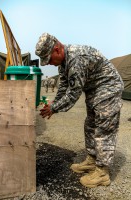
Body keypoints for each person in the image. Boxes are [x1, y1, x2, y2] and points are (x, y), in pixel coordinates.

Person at [35, 33, 124, 188]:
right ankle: (92, 160)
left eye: (48, 59)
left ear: (57, 49)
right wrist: (54, 102)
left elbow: (73, 93)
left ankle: (102, 172)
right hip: (94, 90)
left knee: (104, 128)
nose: (48, 63)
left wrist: (54, 108)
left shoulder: (76, 58)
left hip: (108, 88)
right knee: (90, 124)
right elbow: (64, 85)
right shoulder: (63, 62)